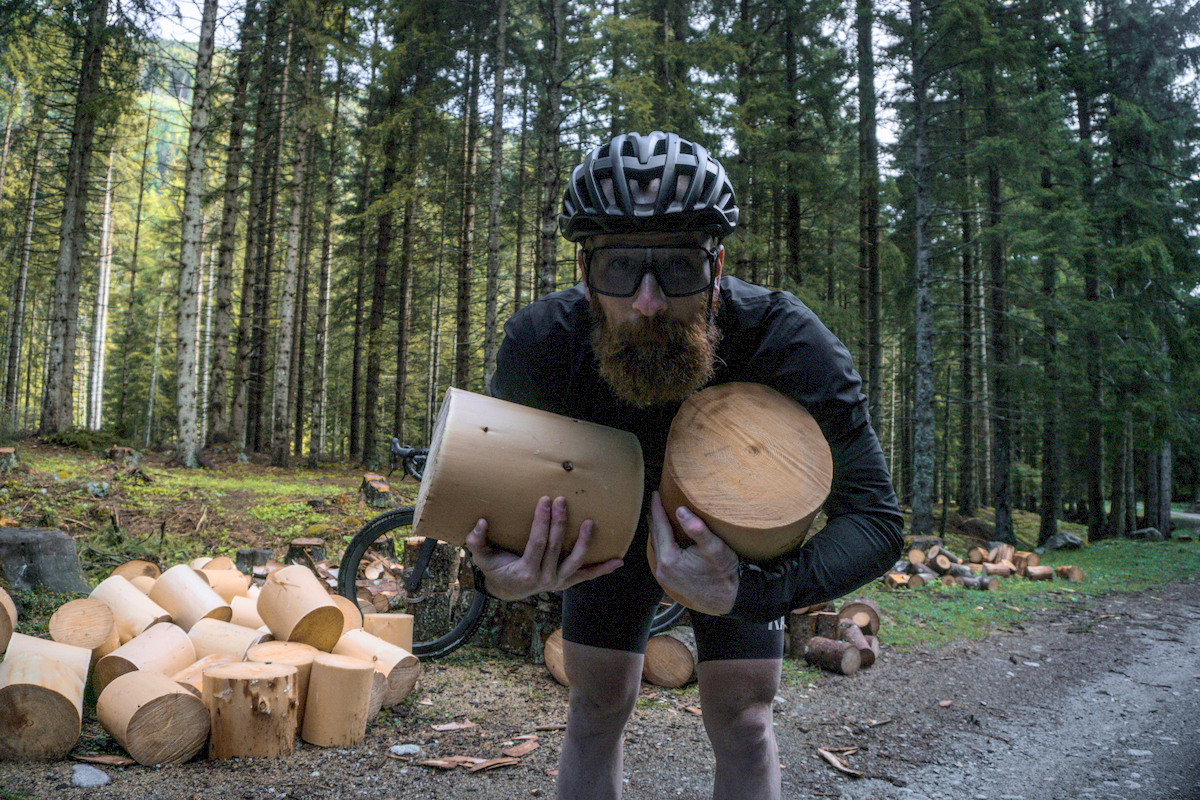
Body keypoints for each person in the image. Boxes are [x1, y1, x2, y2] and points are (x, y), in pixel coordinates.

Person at [464, 131, 903, 800]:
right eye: (618, 270)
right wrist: (496, 576)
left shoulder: (787, 342)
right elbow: (494, 509)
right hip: (607, 536)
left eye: (676, 267)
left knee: (745, 715)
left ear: (717, 266)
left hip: (736, 545)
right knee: (596, 704)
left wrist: (750, 590)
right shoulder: (540, 345)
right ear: (585, 275)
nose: (647, 302)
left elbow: (875, 519)